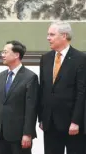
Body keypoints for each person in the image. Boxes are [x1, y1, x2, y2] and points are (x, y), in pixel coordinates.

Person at [38, 21, 86, 154]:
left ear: (64, 36)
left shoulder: (80, 59)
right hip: (50, 123)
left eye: (52, 34)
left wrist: (76, 121)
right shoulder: (46, 59)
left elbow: (82, 92)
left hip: (72, 124)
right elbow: (43, 89)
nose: (48, 38)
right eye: (48, 34)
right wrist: (42, 118)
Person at [0, 41, 39, 154]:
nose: (2, 55)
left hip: (20, 135)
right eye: (2, 52)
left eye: (5, 52)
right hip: (1, 134)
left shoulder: (30, 77)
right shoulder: (1, 76)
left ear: (17, 55)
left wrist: (27, 133)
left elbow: (31, 109)